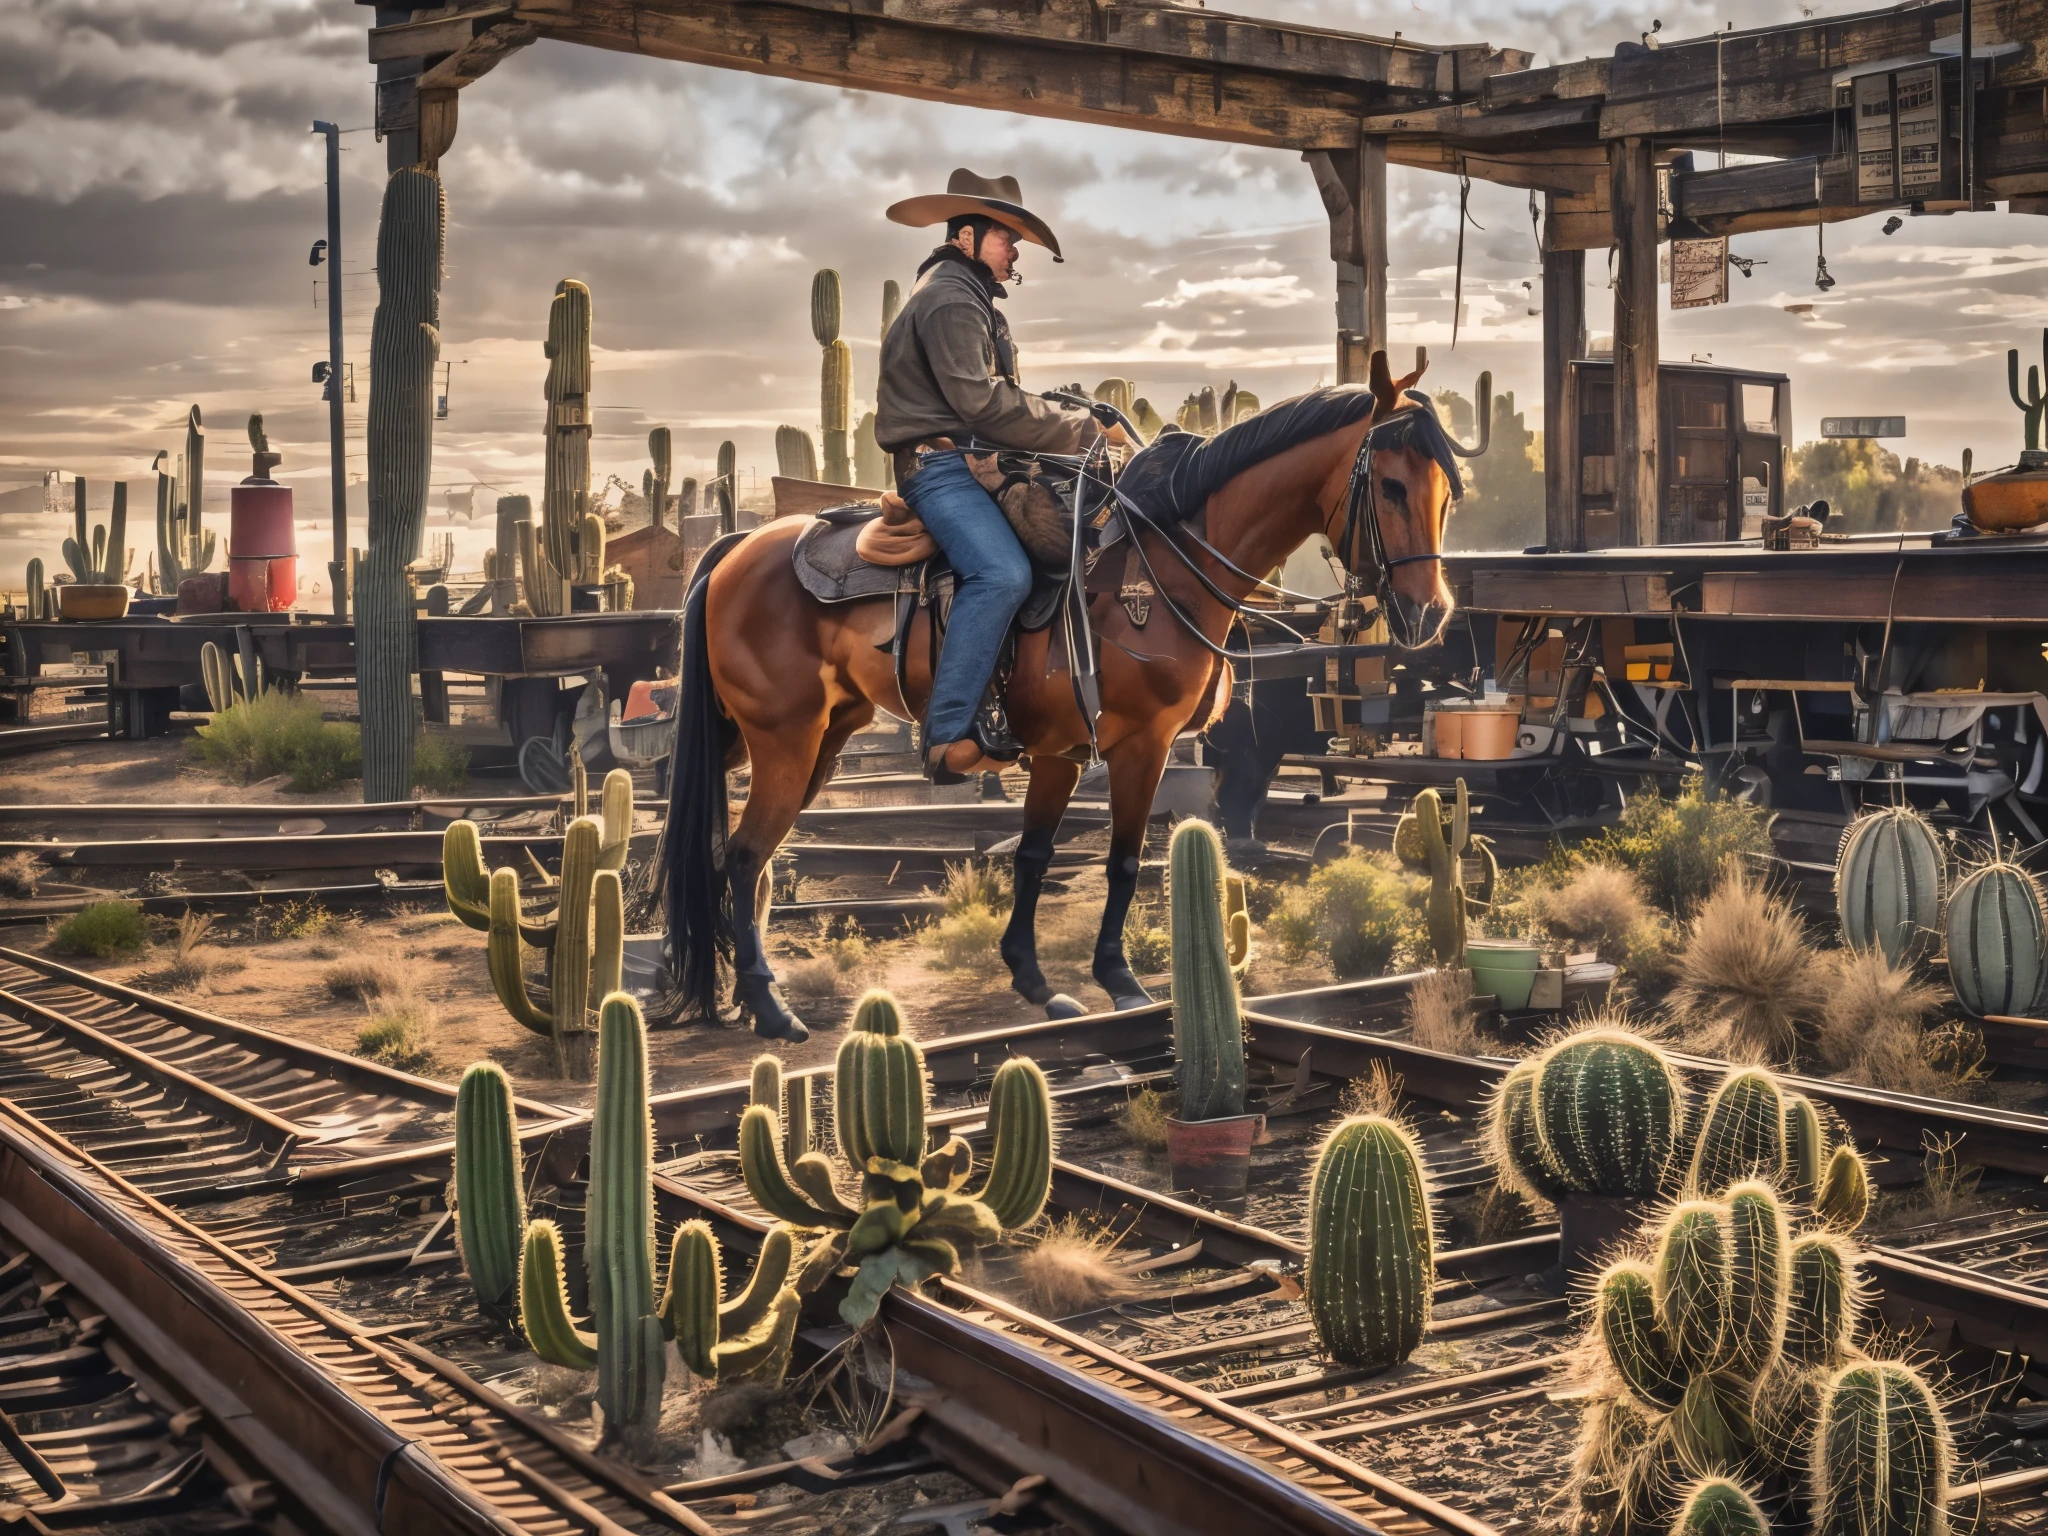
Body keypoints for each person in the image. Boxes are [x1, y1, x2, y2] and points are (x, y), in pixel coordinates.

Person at [877, 169, 1126, 781]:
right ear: (966, 236)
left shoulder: (968, 295)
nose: (1015, 250)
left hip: (971, 461)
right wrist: (1080, 428)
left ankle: (1041, 709)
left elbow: (997, 399)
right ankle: (949, 733)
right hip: (937, 468)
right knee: (1000, 573)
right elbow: (981, 403)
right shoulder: (951, 298)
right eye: (1006, 237)